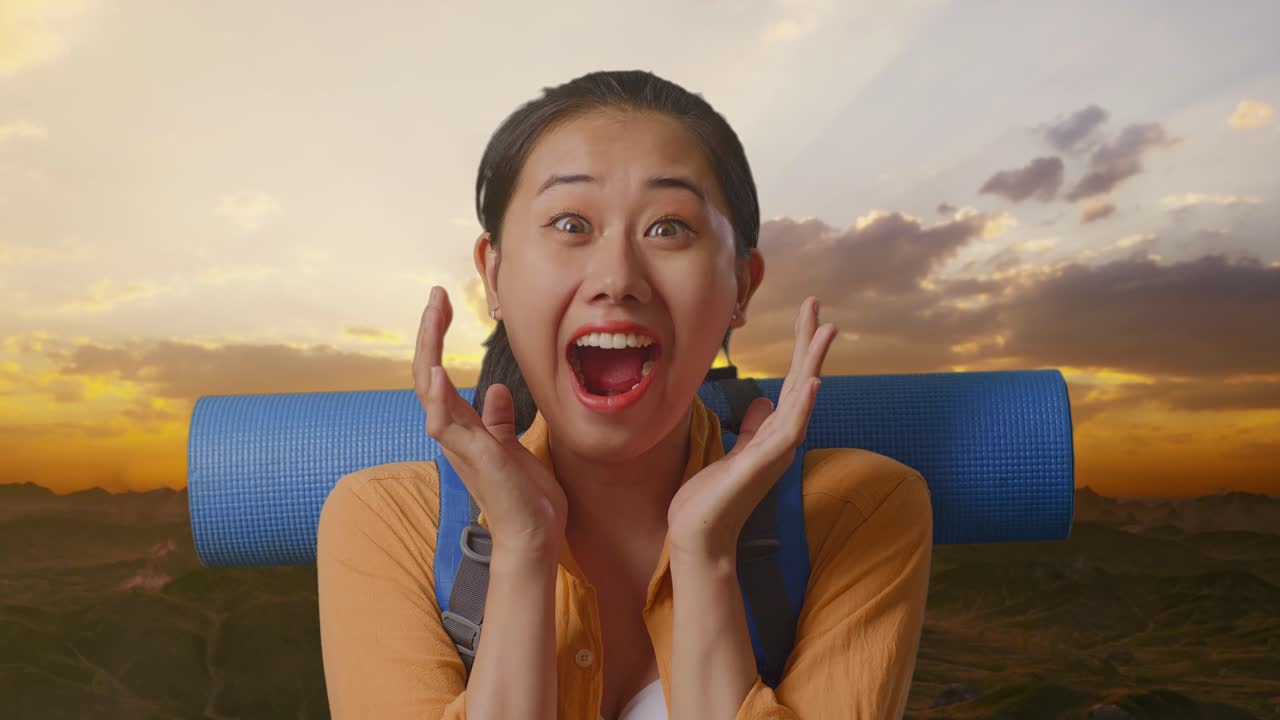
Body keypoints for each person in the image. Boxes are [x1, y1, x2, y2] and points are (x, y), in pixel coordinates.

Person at [316, 69, 934, 720]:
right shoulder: (383, 523)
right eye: (570, 223)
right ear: (493, 274)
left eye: (669, 228)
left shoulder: (860, 512)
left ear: (740, 287)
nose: (617, 278)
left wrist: (707, 555)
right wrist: (524, 548)